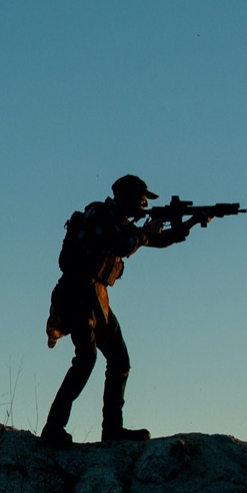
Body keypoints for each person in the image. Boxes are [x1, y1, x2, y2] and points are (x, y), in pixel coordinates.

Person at [40, 174, 191, 447]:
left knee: (119, 360)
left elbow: (149, 240)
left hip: (96, 296)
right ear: (127, 198)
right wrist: (147, 231)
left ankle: (112, 429)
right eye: (141, 199)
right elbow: (124, 243)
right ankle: (53, 427)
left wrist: (182, 227)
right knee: (85, 358)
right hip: (77, 293)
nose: (144, 204)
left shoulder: (120, 224)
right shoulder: (99, 214)